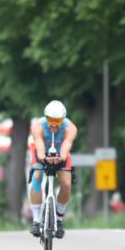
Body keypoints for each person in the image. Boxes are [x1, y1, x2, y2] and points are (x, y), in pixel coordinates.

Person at [27, 100, 77, 239]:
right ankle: (36, 220)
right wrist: (43, 158)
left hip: (61, 152)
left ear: (63, 119)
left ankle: (59, 220)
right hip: (41, 151)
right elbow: (39, 144)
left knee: (66, 184)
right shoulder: (37, 126)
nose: (54, 123)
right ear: (46, 117)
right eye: (51, 120)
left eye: (58, 120)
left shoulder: (70, 128)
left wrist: (60, 158)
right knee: (37, 176)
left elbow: (67, 144)